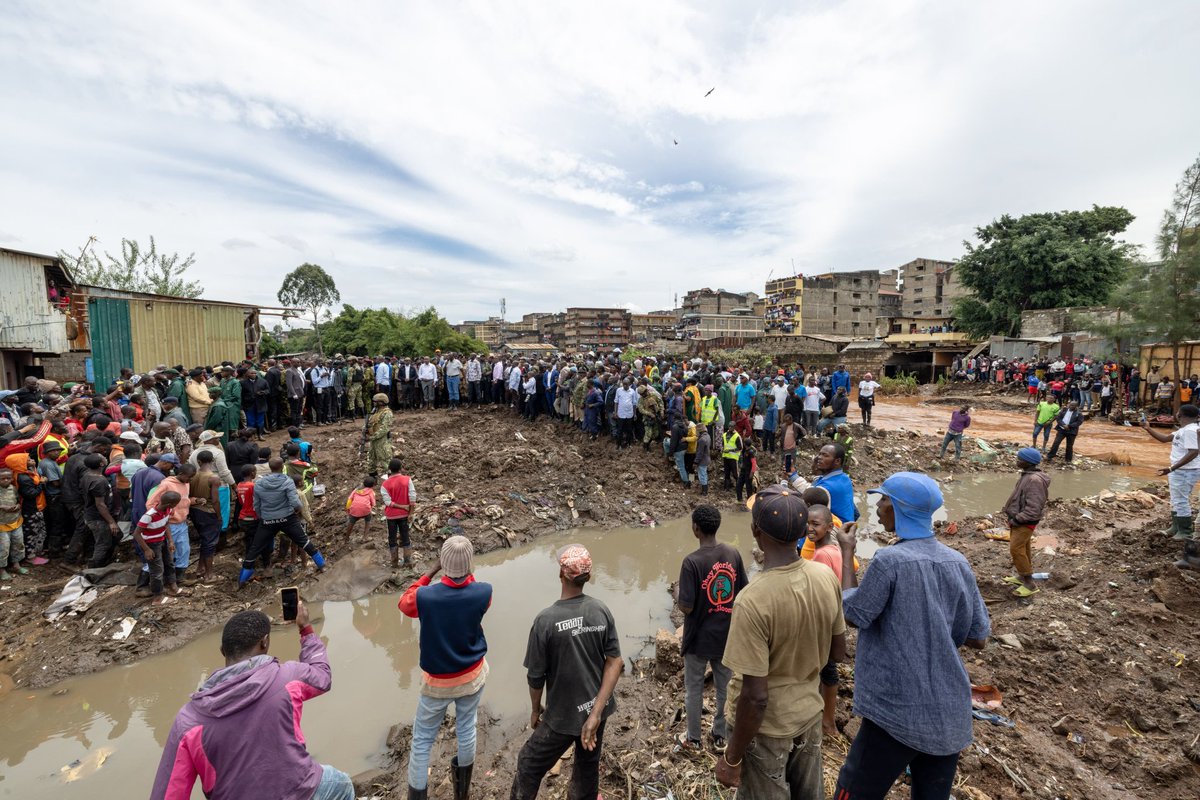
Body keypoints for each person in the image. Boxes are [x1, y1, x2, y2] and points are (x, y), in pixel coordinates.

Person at [833, 472, 990, 800]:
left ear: (900, 509)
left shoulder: (889, 562)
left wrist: (847, 553)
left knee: (853, 791)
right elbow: (978, 637)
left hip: (896, 711)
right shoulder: (957, 562)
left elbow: (853, 614)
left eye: (885, 500)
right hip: (950, 716)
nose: (879, 508)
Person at [715, 484, 846, 797]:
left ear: (755, 532)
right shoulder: (824, 577)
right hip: (809, 714)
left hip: (768, 730)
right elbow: (837, 651)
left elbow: (755, 697)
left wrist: (732, 757)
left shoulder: (752, 600)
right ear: (802, 530)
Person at [150, 604, 353, 800]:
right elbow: (322, 677)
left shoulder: (188, 721)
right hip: (300, 791)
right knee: (342, 784)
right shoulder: (287, 678)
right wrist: (305, 630)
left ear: (222, 651)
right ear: (265, 642)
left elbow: (169, 794)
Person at [511, 544, 623, 800]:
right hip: (597, 710)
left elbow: (535, 677)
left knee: (528, 764)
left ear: (561, 575)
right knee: (586, 766)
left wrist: (535, 708)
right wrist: (595, 713)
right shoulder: (600, 610)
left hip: (562, 716)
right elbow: (615, 662)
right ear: (588, 577)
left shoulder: (545, 621)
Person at [398, 536, 491, 800]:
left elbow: (404, 603)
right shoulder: (484, 591)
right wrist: (466, 572)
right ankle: (462, 793)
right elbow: (470, 590)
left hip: (437, 682)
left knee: (422, 741)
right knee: (466, 729)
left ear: (443, 564)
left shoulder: (426, 596)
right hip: (472, 675)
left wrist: (430, 571)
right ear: (470, 565)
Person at [675, 505, 747, 753]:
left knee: (694, 688)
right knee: (724, 687)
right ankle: (720, 736)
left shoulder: (691, 562)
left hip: (698, 639)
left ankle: (693, 739)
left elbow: (686, 607)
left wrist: (677, 592)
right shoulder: (733, 553)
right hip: (726, 635)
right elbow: (741, 593)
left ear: (695, 529)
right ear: (717, 526)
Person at [239, 458, 327, 588]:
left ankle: (242, 579)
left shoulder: (259, 483)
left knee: (255, 548)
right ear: (282, 467)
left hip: (267, 519)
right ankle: (322, 565)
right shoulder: (287, 481)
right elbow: (296, 503)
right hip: (287, 518)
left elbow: (256, 505)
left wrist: (264, 517)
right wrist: (295, 512)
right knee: (304, 541)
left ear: (270, 468)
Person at [1142, 404, 1200, 546]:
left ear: (1180, 415)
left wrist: (1171, 468)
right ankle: (1176, 527)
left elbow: (1194, 452)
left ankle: (1185, 531)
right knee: (1176, 499)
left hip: (1185, 471)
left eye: (1177, 411)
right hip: (1180, 470)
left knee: (1181, 500)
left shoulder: (1190, 431)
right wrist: (1148, 428)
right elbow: (1164, 438)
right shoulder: (1184, 430)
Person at [1002, 448, 1051, 598]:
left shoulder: (1034, 480)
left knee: (1016, 549)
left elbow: (1034, 508)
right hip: (1020, 519)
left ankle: (1029, 584)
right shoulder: (1028, 476)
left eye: (1019, 459)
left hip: (1025, 521)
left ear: (1027, 462)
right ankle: (1022, 576)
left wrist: (1017, 519)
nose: (1017, 461)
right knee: (1024, 547)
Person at [134, 490, 179, 597]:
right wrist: (146, 549)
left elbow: (166, 524)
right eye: (176, 504)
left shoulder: (168, 510)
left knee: (169, 563)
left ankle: (173, 586)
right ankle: (157, 597)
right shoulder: (149, 515)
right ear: (169, 504)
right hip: (151, 544)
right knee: (157, 570)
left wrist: (170, 541)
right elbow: (136, 534)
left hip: (162, 540)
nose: (176, 506)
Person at [813, 443, 858, 525]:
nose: (819, 457)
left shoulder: (826, 487)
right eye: (819, 454)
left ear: (837, 461)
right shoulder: (844, 478)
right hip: (847, 527)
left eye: (825, 455)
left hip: (835, 531)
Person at [365, 393, 394, 477]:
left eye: (376, 401)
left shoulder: (387, 413)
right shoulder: (375, 411)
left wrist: (372, 437)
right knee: (371, 461)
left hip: (382, 441)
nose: (374, 403)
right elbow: (370, 423)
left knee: (385, 461)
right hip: (374, 440)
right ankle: (373, 479)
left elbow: (384, 429)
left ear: (381, 402)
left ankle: (392, 482)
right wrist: (365, 430)